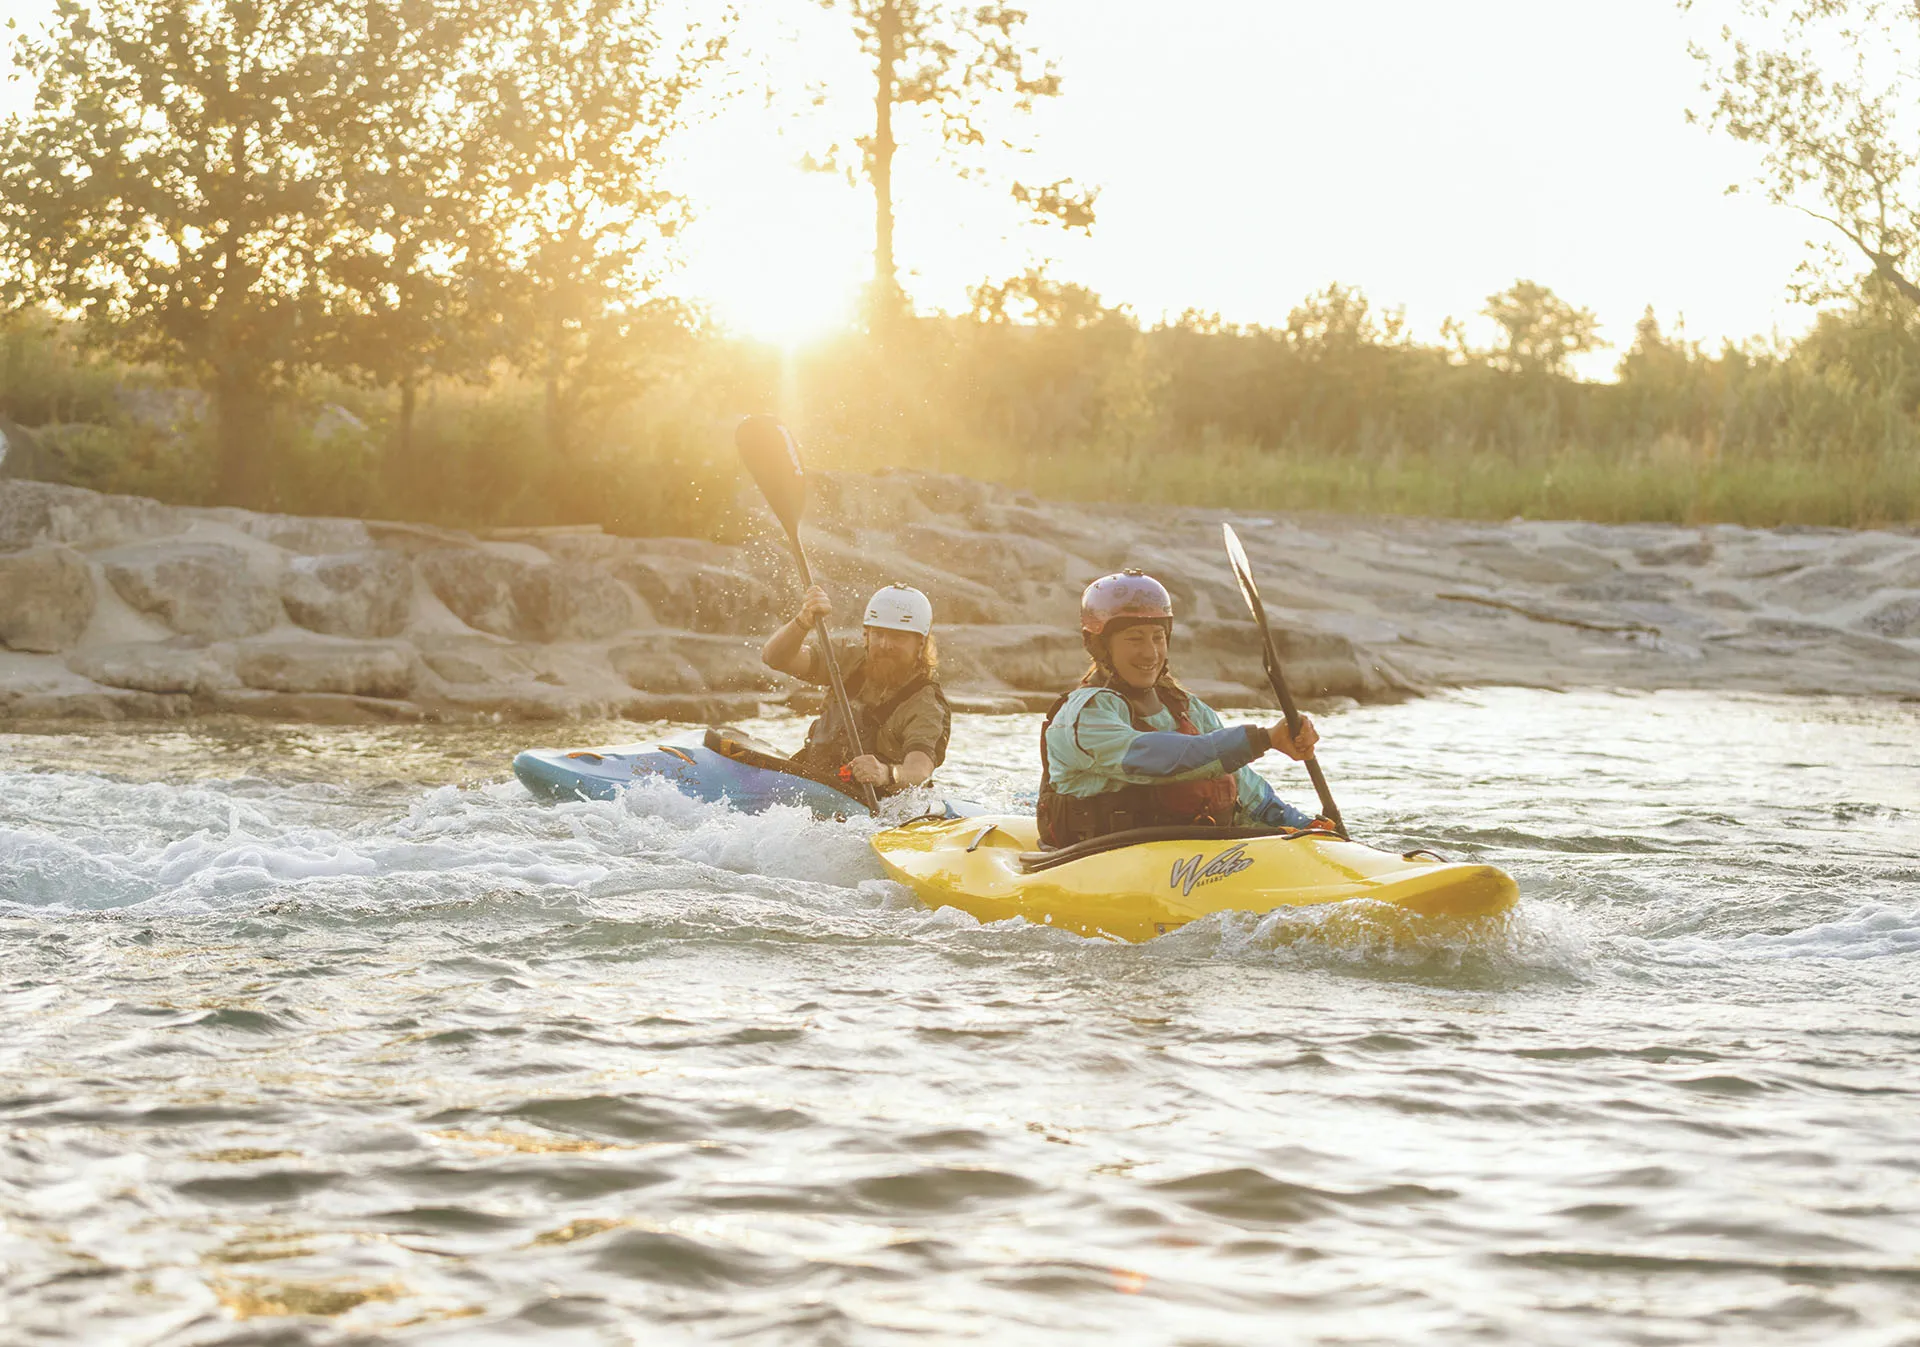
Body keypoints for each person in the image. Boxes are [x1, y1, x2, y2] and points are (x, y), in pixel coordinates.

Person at [1038, 570, 1324, 848]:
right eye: (1135, 638)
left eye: (1158, 637)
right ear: (1100, 646)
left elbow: (1247, 791)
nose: (1150, 652)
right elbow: (1152, 759)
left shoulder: (1187, 708)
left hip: (1191, 860)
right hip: (1102, 860)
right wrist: (1263, 739)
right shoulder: (1082, 716)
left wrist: (1307, 828)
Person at [761, 582, 951, 796]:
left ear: (921, 644)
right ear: (866, 635)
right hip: (815, 783)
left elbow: (919, 771)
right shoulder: (845, 660)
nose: (885, 644)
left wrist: (886, 773)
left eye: (898, 637)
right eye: (878, 634)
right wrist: (802, 622)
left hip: (874, 805)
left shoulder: (928, 705)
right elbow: (774, 658)